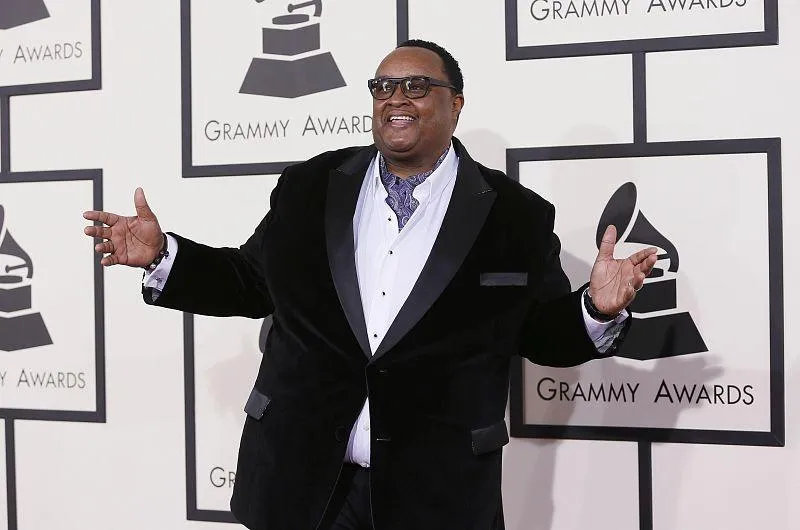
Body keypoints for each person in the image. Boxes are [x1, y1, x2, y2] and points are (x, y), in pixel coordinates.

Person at [83, 40, 656, 530]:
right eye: (382, 86)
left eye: (415, 85)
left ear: (455, 104)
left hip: (435, 497)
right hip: (303, 488)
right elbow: (251, 282)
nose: (395, 97)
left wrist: (596, 309)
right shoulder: (310, 185)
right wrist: (165, 256)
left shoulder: (515, 215)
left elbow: (541, 335)